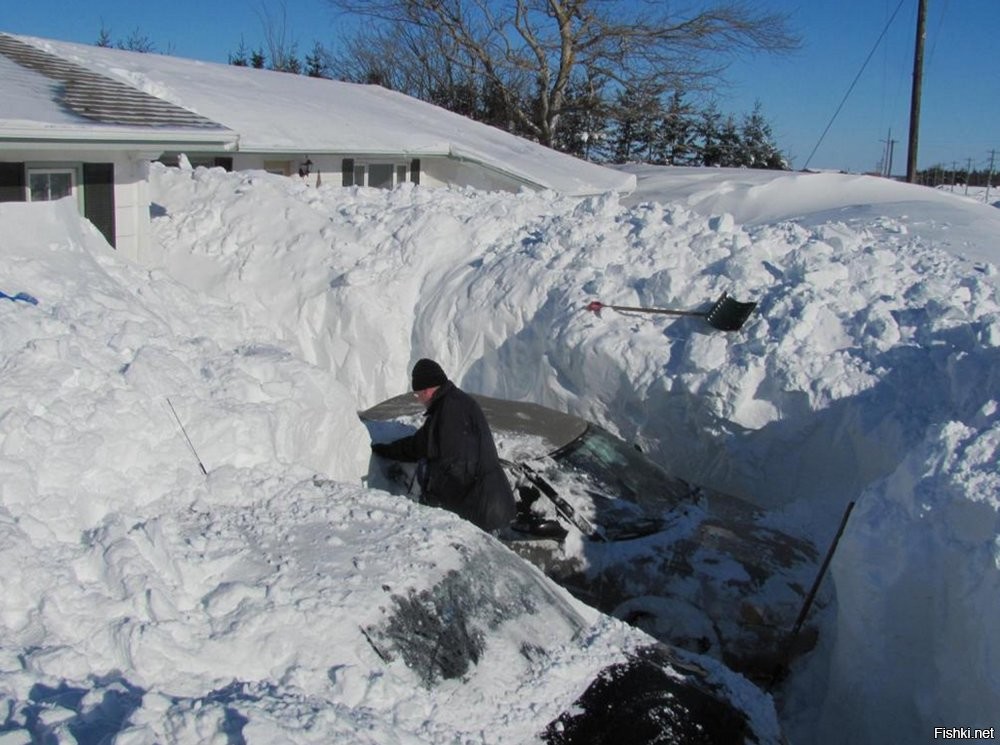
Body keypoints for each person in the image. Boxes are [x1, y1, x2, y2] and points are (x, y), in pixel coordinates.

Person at [371, 358, 516, 533]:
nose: (418, 400)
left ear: (427, 390)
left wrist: (431, 501)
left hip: (483, 512)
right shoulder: (453, 403)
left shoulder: (449, 412)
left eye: (417, 394)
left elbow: (453, 466)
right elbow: (422, 444)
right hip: (489, 505)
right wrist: (387, 449)